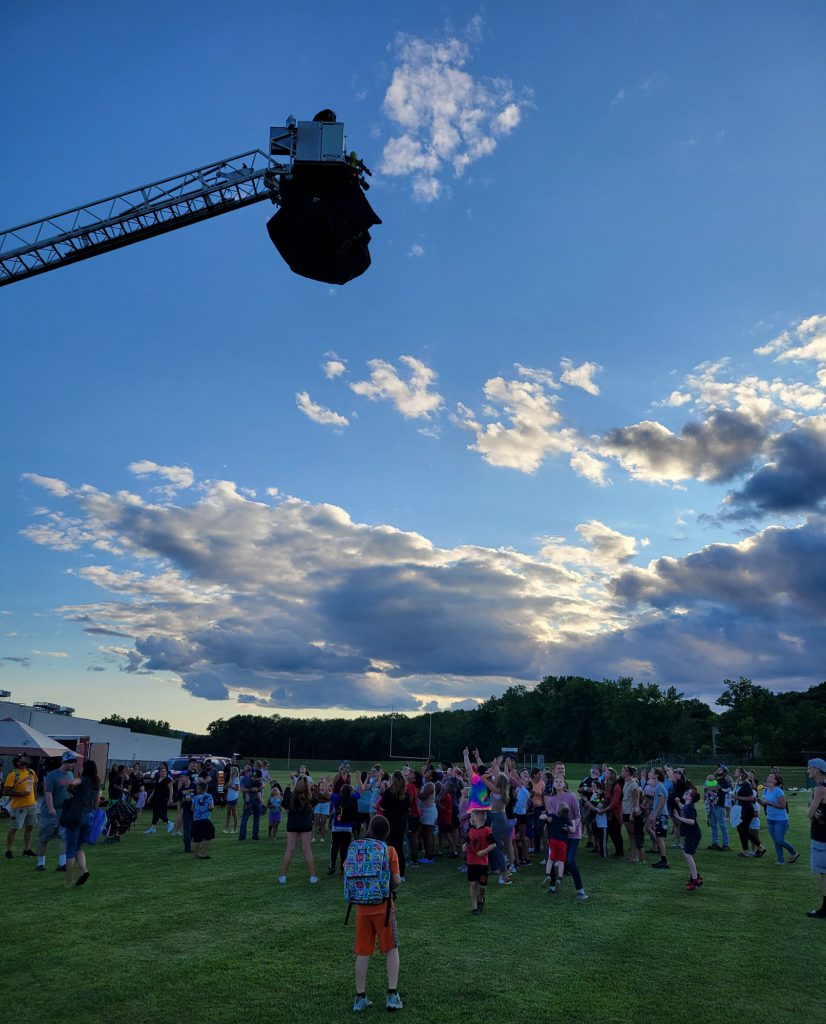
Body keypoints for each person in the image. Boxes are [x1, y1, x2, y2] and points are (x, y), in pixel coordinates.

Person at [351, 815, 403, 1012]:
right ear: (387, 833)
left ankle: (360, 996)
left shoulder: (357, 849)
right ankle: (392, 994)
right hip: (383, 907)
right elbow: (396, 879)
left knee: (363, 951)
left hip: (361, 907)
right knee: (391, 948)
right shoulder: (389, 851)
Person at [61, 759, 101, 887]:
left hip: (76, 816)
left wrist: (69, 785)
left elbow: (73, 781)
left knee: (71, 850)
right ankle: (84, 871)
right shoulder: (96, 783)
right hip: (89, 817)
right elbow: (97, 802)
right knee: (78, 847)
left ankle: (69, 881)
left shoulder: (84, 779)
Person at [546, 775, 587, 899]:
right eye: (556, 781)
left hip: (573, 834)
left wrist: (570, 827)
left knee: (569, 861)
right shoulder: (551, 800)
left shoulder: (571, 796)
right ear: (553, 785)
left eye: (560, 781)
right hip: (559, 836)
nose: (558, 783)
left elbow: (578, 816)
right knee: (551, 859)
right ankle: (553, 886)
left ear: (564, 784)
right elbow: (552, 817)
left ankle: (581, 890)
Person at [36, 751, 76, 872]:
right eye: (71, 762)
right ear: (65, 762)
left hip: (64, 812)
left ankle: (62, 864)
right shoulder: (52, 775)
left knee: (63, 837)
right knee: (44, 837)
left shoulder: (70, 775)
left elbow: (70, 790)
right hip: (50, 813)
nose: (73, 764)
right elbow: (48, 792)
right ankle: (40, 864)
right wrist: (50, 808)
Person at [278, 775, 318, 884]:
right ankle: (313, 876)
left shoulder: (290, 796)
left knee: (289, 849)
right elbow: (315, 802)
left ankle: (283, 876)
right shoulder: (311, 796)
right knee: (307, 849)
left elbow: (285, 806)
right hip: (306, 824)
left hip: (292, 824)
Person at [376, 771, 410, 880]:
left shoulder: (388, 793)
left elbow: (382, 807)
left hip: (390, 824)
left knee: (391, 848)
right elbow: (407, 809)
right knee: (399, 848)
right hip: (401, 823)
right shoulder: (406, 795)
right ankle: (401, 873)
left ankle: (393, 873)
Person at [3, 753, 38, 859]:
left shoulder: (31, 772)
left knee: (29, 827)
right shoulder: (13, 775)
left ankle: (27, 850)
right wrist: (20, 794)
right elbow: (5, 791)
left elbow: (34, 786)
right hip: (18, 807)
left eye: (25, 757)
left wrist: (35, 798)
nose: (25, 758)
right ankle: (8, 851)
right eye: (22, 758)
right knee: (14, 828)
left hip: (31, 805)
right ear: (17, 762)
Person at [760, 772, 799, 865]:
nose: (769, 777)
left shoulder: (778, 791)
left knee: (779, 840)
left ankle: (794, 852)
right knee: (775, 841)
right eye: (768, 776)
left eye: (772, 777)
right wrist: (759, 802)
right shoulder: (765, 790)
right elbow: (763, 803)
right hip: (770, 818)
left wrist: (769, 803)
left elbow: (783, 806)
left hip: (781, 819)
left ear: (776, 781)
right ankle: (780, 860)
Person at [463, 807, 496, 915]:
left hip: (482, 862)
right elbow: (466, 842)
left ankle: (481, 898)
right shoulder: (471, 830)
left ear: (481, 817)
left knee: (482, 886)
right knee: (473, 884)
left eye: (473, 816)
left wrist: (484, 851)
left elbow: (493, 844)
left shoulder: (487, 830)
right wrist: (465, 846)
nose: (471, 818)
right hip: (472, 861)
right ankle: (474, 907)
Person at [805, 756, 826, 918]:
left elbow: (810, 814)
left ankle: (824, 909)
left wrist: (811, 806)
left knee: (824, 873)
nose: (808, 771)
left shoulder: (819, 789)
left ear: (817, 770)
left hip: (821, 836)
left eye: (810, 768)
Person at [673, 786, 703, 890]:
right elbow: (684, 809)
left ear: (690, 798)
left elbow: (691, 821)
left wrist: (678, 818)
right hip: (691, 834)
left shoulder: (690, 807)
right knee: (688, 854)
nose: (686, 792)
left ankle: (695, 879)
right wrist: (678, 803)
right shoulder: (687, 806)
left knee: (687, 854)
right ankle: (695, 876)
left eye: (688, 793)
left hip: (693, 834)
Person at [540, 804, 572, 892]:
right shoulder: (566, 819)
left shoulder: (552, 816)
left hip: (553, 841)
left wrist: (545, 817)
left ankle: (547, 875)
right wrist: (568, 828)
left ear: (557, 811)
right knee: (561, 861)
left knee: (550, 859)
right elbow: (573, 829)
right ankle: (560, 878)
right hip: (562, 843)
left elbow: (541, 817)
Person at [329, 782, 358, 874]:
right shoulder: (353, 798)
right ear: (350, 792)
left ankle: (332, 866)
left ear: (341, 791)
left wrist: (326, 783)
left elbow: (325, 793)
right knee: (344, 848)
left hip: (336, 827)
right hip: (348, 827)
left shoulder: (337, 797)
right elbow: (361, 790)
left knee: (334, 847)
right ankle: (343, 868)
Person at [648, 767, 670, 870]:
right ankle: (663, 860)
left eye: (652, 772)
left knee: (660, 838)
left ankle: (664, 861)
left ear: (657, 775)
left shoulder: (659, 786)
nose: (650, 774)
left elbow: (661, 802)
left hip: (661, 815)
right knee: (658, 837)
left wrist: (654, 815)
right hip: (660, 815)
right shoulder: (658, 786)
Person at [707, 765, 732, 851]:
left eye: (720, 769)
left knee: (722, 825)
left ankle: (726, 844)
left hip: (719, 805)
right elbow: (706, 788)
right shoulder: (716, 780)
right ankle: (715, 843)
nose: (718, 770)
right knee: (713, 825)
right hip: (712, 805)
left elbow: (714, 788)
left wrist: (708, 788)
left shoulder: (723, 781)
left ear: (724, 773)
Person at [144, 764, 174, 834]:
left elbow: (171, 790)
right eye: (162, 771)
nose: (164, 772)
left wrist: (170, 798)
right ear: (159, 772)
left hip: (163, 798)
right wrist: (149, 797)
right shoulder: (157, 779)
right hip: (156, 798)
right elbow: (155, 790)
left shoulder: (168, 779)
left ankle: (169, 823)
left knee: (159, 812)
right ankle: (153, 828)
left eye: (165, 771)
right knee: (155, 813)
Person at [177, 759, 198, 854]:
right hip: (186, 811)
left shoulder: (194, 786)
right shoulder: (181, 789)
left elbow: (199, 798)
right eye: (181, 777)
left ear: (187, 777)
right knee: (186, 830)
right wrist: (179, 813)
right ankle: (187, 848)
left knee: (194, 829)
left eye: (183, 777)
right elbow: (178, 802)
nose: (181, 778)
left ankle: (192, 842)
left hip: (195, 811)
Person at [238, 765, 264, 841]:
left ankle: (253, 836)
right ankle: (244, 836)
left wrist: (257, 789)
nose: (249, 772)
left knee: (253, 819)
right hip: (249, 801)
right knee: (247, 819)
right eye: (248, 771)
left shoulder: (254, 777)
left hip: (254, 801)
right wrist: (251, 789)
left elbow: (263, 785)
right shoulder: (244, 779)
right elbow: (242, 790)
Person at [192, 779, 215, 860]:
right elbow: (211, 807)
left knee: (197, 837)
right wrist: (207, 808)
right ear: (206, 788)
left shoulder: (195, 797)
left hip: (195, 820)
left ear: (200, 788)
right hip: (205, 819)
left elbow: (192, 808)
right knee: (209, 835)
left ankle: (196, 854)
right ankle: (203, 853)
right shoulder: (209, 796)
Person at [224, 765, 240, 833]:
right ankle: (226, 829)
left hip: (234, 797)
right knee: (228, 813)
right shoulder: (230, 779)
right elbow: (225, 787)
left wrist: (230, 786)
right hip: (229, 797)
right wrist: (226, 786)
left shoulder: (236, 779)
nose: (230, 771)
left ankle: (235, 828)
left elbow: (237, 788)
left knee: (234, 814)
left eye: (231, 770)